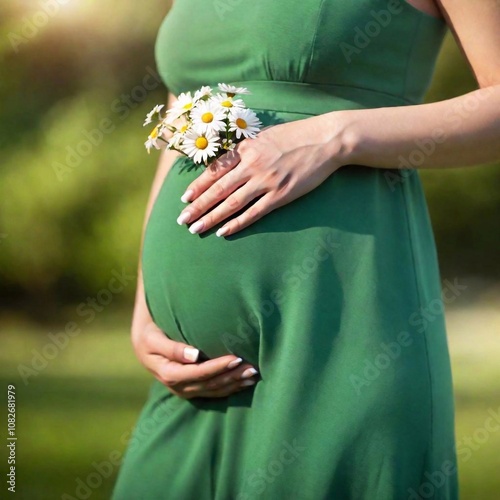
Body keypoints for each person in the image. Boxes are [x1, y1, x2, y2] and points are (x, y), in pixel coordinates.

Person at [113, 0, 500, 498]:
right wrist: (146, 301)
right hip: (193, 379)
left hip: (342, 332)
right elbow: (183, 118)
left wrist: (335, 136)